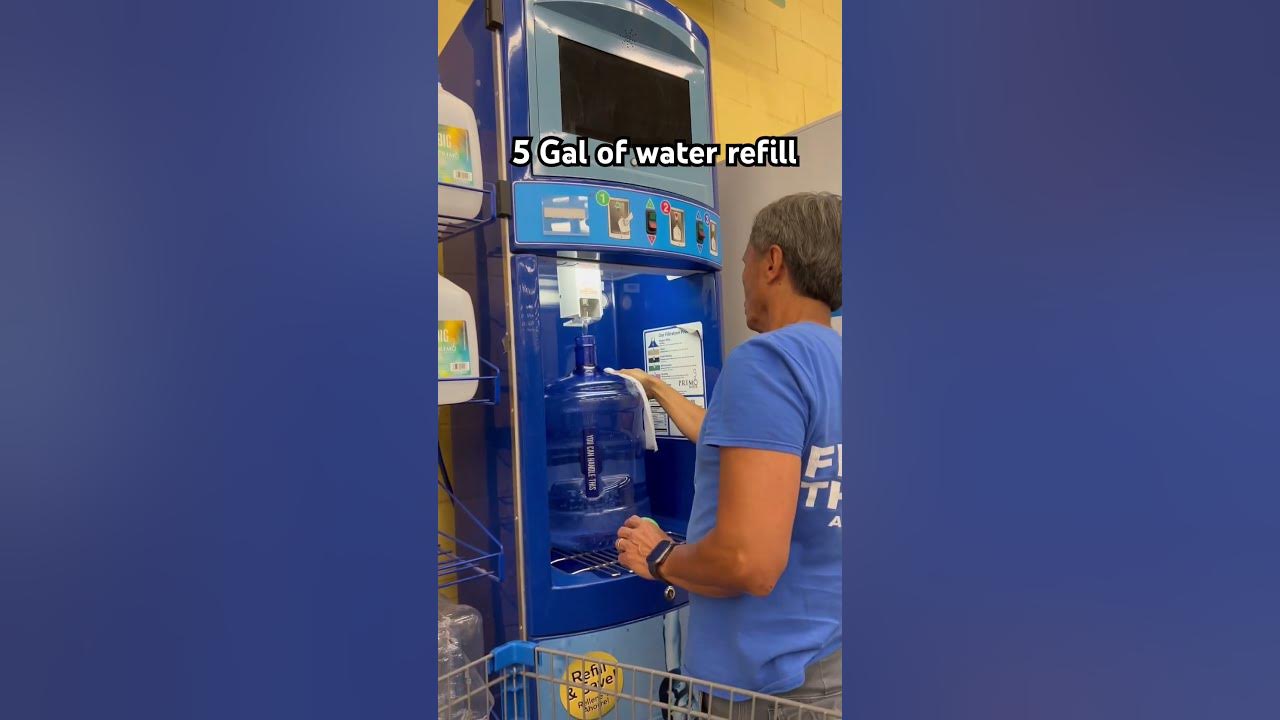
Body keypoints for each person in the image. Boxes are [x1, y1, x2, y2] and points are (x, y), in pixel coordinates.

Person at [615, 192, 843, 718]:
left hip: (771, 688)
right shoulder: (837, 362)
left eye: (743, 259)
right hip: (830, 659)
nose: (740, 275)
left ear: (772, 262)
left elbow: (750, 563)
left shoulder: (765, 361)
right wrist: (656, 388)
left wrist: (660, 556)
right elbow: (753, 452)